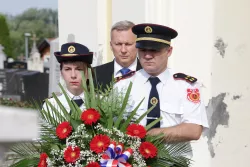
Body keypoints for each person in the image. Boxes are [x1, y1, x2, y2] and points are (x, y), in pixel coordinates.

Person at [116, 23, 208, 146]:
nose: (147, 56)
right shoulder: (122, 84)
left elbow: (194, 130)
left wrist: (149, 135)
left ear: (169, 51)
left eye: (154, 50)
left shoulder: (186, 86)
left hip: (173, 162)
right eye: (143, 50)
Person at [43, 42, 93, 113]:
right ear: (61, 73)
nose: (73, 75)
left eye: (79, 69)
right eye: (67, 69)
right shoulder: (51, 106)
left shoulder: (102, 103)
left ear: (88, 73)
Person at [94, 20, 142, 90]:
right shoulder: (95, 75)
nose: (123, 50)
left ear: (137, 44)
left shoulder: (148, 73)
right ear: (111, 45)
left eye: (128, 44)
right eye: (118, 44)